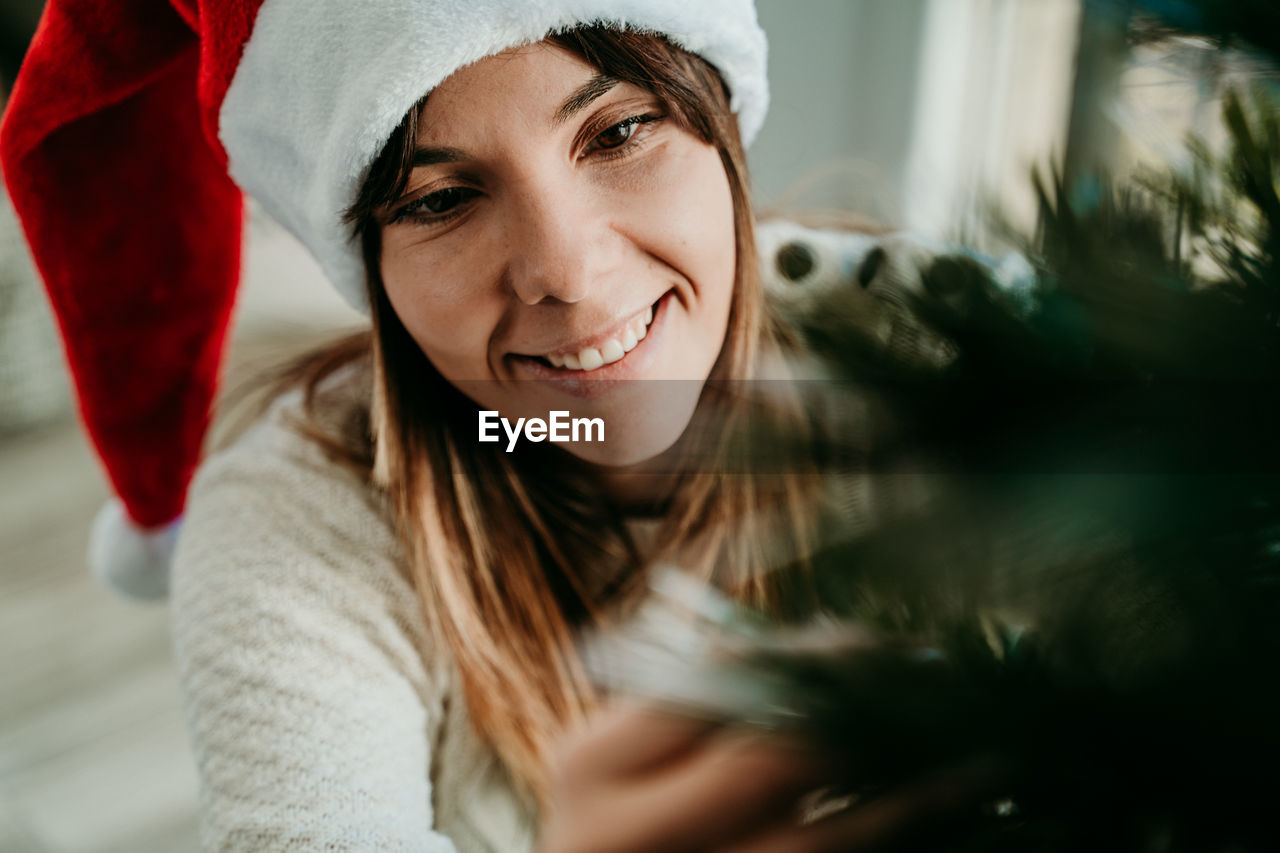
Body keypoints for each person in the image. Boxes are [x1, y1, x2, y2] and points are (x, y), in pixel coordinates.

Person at [1, 2, 990, 850]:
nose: (562, 269)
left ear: (719, 121)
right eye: (441, 197)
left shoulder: (957, 362)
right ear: (372, 267)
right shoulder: (295, 525)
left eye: (616, 133)